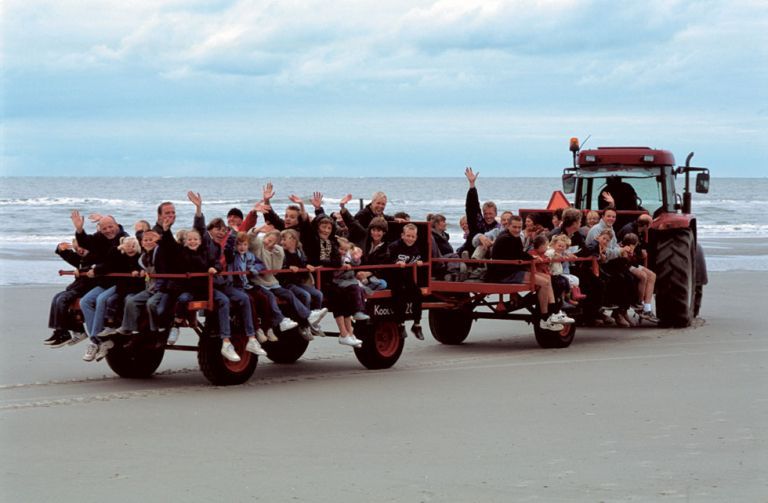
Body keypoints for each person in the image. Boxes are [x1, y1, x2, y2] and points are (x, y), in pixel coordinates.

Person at [487, 215, 573, 331]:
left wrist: (533, 259)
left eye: (519, 227)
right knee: (544, 283)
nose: (517, 230)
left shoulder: (515, 237)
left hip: (513, 270)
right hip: (504, 274)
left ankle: (554, 312)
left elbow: (521, 254)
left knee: (547, 278)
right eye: (514, 227)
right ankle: (544, 318)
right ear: (508, 226)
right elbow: (517, 256)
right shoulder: (505, 238)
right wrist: (532, 260)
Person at [83, 235, 144, 362]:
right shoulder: (118, 253)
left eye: (132, 246)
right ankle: (97, 340)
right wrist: (117, 248)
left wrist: (138, 271)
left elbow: (142, 265)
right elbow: (109, 262)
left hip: (125, 287)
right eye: (127, 246)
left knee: (103, 299)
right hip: (115, 284)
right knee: (86, 301)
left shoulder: (139, 256)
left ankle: (96, 339)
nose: (130, 248)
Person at [45, 238, 95, 347]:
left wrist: (81, 271)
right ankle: (62, 331)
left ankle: (65, 333)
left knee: (62, 299)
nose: (80, 250)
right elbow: (69, 256)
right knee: (57, 297)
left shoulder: (95, 256)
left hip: (87, 289)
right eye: (77, 249)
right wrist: (60, 249)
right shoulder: (81, 259)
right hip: (77, 288)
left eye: (82, 247)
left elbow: (96, 266)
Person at [280, 228, 328, 338]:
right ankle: (304, 325)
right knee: (305, 296)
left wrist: (306, 266)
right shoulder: (283, 253)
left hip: (298, 281)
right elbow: (279, 267)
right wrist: (288, 268)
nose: (282, 241)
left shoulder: (299, 252)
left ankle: (314, 322)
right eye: (281, 239)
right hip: (287, 283)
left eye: (285, 239)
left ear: (293, 240)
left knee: (318, 294)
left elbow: (303, 263)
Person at [387, 223, 426, 340]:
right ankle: (400, 324)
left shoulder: (416, 247)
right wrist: (395, 263)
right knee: (399, 295)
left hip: (407, 276)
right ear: (402, 235)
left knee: (417, 293)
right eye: (408, 236)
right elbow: (387, 259)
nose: (410, 239)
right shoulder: (394, 246)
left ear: (416, 237)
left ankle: (417, 324)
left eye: (413, 237)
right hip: (393, 276)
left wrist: (419, 262)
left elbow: (419, 258)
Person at [463, 167, 499, 256]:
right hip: (472, 250)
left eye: (490, 213)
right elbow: (472, 207)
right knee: (474, 234)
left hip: (491, 254)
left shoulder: (498, 227)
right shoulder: (479, 222)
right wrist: (472, 185)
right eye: (486, 213)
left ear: (496, 213)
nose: (488, 216)